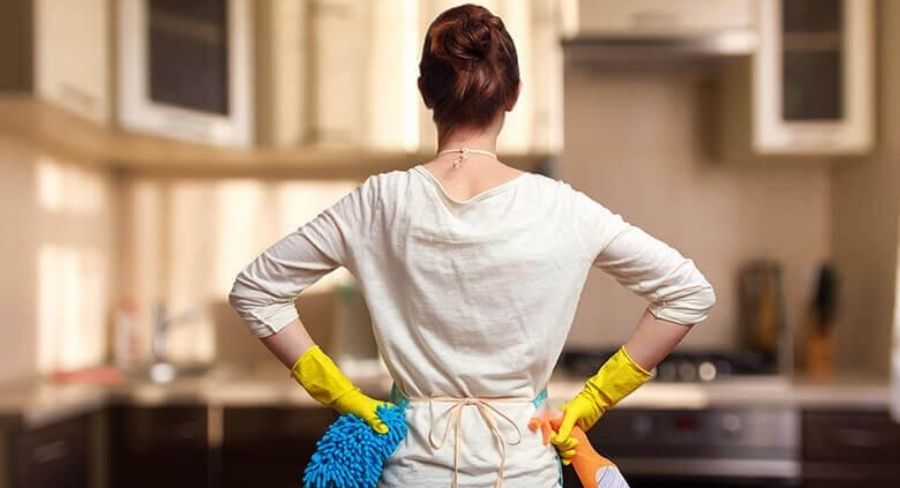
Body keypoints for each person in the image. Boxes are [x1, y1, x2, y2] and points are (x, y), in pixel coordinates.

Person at [228, 4, 716, 488]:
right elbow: (688, 292)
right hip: (522, 470)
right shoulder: (563, 208)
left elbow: (256, 290)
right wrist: (593, 401)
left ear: (425, 93)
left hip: (411, 471)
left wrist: (342, 396)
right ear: (514, 95)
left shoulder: (379, 201)